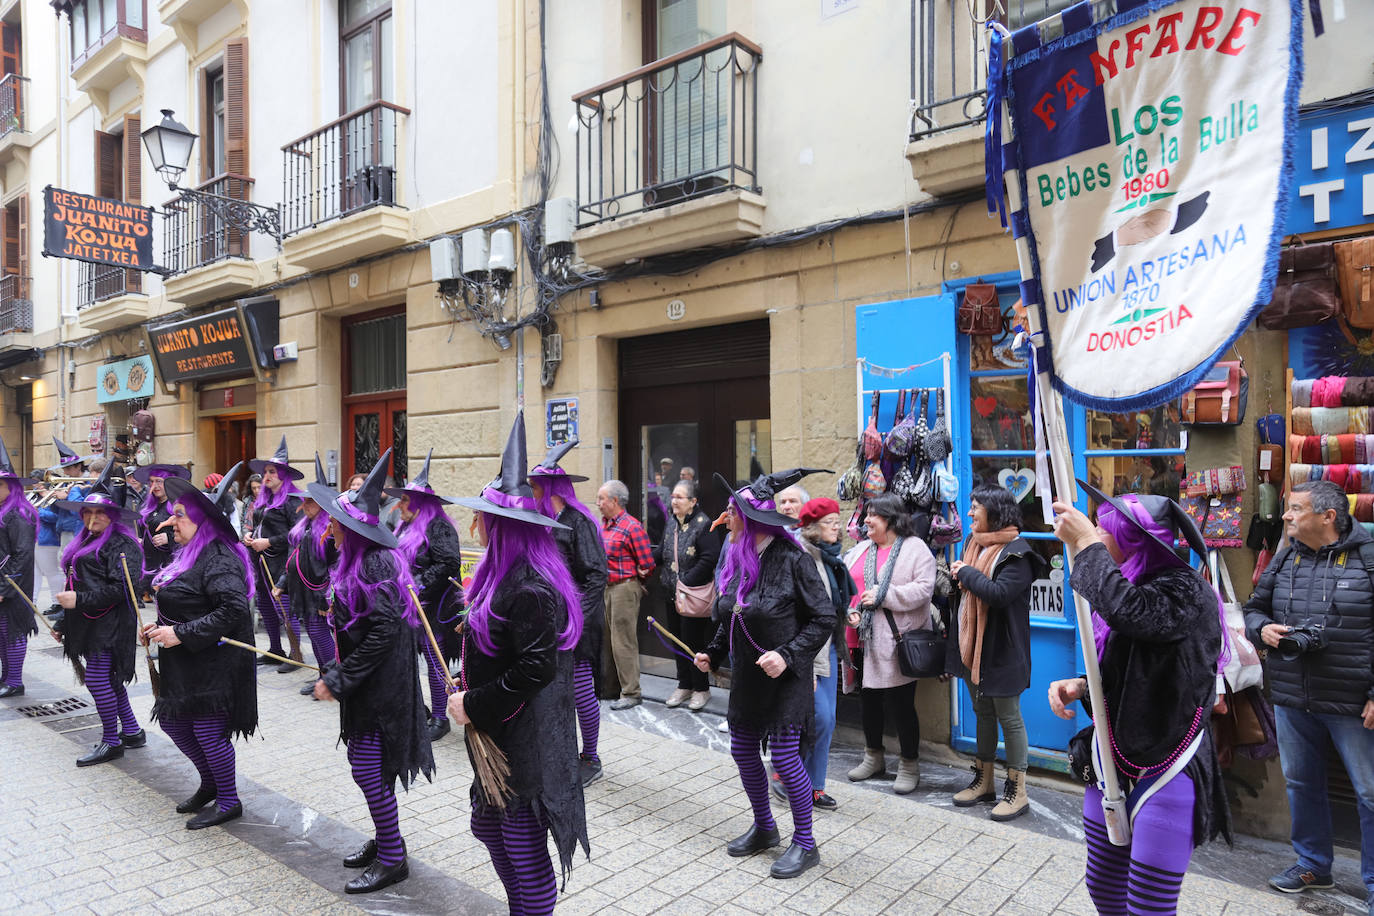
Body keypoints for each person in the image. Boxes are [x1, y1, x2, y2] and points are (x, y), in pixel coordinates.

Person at [1048, 483, 1230, 916]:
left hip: (1170, 765)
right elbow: (1133, 663)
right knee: (1103, 886)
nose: (1093, 530)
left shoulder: (1186, 590)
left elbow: (1134, 613)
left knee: (1149, 904)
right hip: (1111, 758)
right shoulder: (1130, 582)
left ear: (1129, 539)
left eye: (1102, 528)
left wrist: (1087, 545)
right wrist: (1080, 684)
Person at [451, 412, 589, 914]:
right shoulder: (500, 577)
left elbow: (536, 670)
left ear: (501, 524)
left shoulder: (531, 586)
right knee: (486, 826)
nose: (473, 524)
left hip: (525, 739)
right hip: (501, 731)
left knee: (523, 851)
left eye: (480, 515)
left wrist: (473, 703)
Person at [693, 469, 833, 879]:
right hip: (748, 679)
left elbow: (824, 617)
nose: (726, 517)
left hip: (786, 677)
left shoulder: (794, 559)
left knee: (786, 759)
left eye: (732, 511)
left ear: (750, 518)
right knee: (741, 750)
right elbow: (731, 616)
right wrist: (713, 653)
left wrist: (787, 655)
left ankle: (806, 844)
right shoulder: (739, 555)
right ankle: (764, 827)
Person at [309, 449, 434, 895]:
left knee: (366, 767)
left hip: (382, 688)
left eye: (334, 522)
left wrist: (338, 678)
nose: (328, 528)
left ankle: (394, 857)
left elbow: (383, 634)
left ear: (354, 529)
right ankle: (386, 838)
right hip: (367, 684)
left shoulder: (377, 562)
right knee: (365, 765)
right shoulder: (357, 560)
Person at [1243, 479, 1374, 902]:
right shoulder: (1284, 559)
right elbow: (1252, 609)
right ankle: (1314, 866)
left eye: (1295, 508)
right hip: (1292, 697)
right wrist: (1262, 630)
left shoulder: (1369, 559)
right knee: (1301, 783)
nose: (1286, 516)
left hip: (1354, 702)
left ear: (1328, 516)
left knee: (1371, 791)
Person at [141, 474, 258, 829]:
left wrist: (181, 632)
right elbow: (177, 596)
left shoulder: (220, 558)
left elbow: (233, 610)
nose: (170, 521)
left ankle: (228, 799)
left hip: (215, 661)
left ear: (203, 521)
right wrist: (158, 626)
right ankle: (211, 783)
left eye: (179, 515)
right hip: (185, 658)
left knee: (208, 732)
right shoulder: (189, 552)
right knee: (175, 723)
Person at [948, 485, 1043, 821]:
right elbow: (967, 595)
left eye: (976, 507)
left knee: (1009, 719)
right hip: (974, 649)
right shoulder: (973, 545)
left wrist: (965, 573)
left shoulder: (1019, 553)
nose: (970, 513)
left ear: (996, 511)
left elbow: (999, 594)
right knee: (982, 713)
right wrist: (955, 579)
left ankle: (1018, 790)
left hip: (1004, 651)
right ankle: (984, 780)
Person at [51, 461, 146, 766]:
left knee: (97, 679)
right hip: (87, 622)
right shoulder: (86, 539)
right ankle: (131, 732)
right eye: (88, 513)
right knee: (108, 679)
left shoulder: (124, 545)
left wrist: (78, 599)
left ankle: (111, 741)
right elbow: (73, 582)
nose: (93, 518)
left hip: (112, 624)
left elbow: (122, 590)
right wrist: (63, 623)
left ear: (113, 515)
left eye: (100, 512)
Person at [844, 493, 936, 795]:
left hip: (896, 640)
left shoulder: (915, 549)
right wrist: (850, 610)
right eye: (866, 514)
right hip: (861, 639)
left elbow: (924, 589)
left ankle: (910, 765)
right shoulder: (861, 549)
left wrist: (885, 596)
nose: (866, 520)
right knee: (868, 702)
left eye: (874, 515)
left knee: (901, 706)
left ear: (892, 519)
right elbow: (846, 585)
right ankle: (874, 757)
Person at [530, 440, 610, 786]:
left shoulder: (579, 521)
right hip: (548, 620)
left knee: (580, 690)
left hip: (577, 623)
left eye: (534, 486)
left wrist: (579, 618)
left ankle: (590, 756)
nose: (529, 492)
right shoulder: (541, 520)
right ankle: (560, 751)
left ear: (549, 489)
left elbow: (596, 575)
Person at [385, 450, 464, 741]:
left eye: (405, 499)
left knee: (435, 660)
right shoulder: (405, 526)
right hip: (410, 605)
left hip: (435, 607)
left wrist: (419, 584)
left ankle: (442, 718)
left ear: (418, 503)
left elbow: (448, 563)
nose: (400, 504)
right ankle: (425, 709)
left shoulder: (439, 526)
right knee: (414, 658)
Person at [783, 497, 855, 811]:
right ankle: (787, 778)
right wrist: (806, 666)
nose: (837, 528)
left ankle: (815, 786)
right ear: (812, 528)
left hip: (831, 648)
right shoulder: (803, 559)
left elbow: (831, 603)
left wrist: (845, 615)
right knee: (818, 719)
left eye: (838, 523)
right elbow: (799, 612)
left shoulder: (831, 558)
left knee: (828, 720)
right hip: (808, 653)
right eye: (830, 523)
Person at [653, 479, 719, 712]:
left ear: (693, 502)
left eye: (679, 497)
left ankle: (701, 689)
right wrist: (647, 563)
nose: (674, 501)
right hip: (672, 593)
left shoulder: (704, 524)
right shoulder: (671, 521)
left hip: (693, 595)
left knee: (694, 643)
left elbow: (710, 558)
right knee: (676, 639)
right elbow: (663, 549)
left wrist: (686, 581)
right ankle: (684, 685)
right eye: (672, 497)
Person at [245, 436, 305, 671]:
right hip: (261, 562)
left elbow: (298, 535)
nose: (266, 476)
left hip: (283, 562)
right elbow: (259, 524)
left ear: (283, 475)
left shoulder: (292, 500)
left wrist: (268, 542)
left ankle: (296, 654)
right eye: (265, 472)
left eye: (271, 472)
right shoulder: (265, 499)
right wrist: (250, 536)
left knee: (285, 609)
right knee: (266, 606)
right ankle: (275, 649)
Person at [283, 456, 338, 697]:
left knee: (319, 634)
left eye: (310, 501)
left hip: (320, 592)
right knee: (313, 635)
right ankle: (322, 676)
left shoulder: (331, 531)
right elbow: (295, 558)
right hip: (303, 592)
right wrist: (282, 583)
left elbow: (336, 565)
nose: (305, 504)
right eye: (304, 500)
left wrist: (328, 597)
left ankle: (330, 680)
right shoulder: (305, 526)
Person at [597, 479, 654, 710]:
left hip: (624, 588)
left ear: (615, 501)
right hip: (607, 588)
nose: (598, 503)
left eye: (602, 499)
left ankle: (632, 692)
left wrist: (640, 576)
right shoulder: (604, 525)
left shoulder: (631, 527)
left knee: (623, 641)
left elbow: (648, 563)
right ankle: (611, 688)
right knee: (608, 640)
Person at [0, 434, 37, 698]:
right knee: (2, 630)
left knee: (12, 629)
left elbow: (22, 554)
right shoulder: (4, 510)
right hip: (5, 580)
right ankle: (6, 676)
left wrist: (4, 587)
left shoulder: (19, 514)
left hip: (14, 582)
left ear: (11, 486)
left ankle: (15, 681)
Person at [132, 463, 192, 592]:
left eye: (159, 481)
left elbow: (192, 533)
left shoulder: (180, 506)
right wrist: (140, 539)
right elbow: (143, 529)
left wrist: (169, 538)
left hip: (170, 564)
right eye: (152, 482)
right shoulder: (148, 506)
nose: (155, 486)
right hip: (150, 564)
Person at [35, 474, 63, 617]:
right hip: (35, 539)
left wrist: (38, 512)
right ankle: (31, 602)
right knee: (35, 574)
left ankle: (57, 602)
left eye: (38, 484)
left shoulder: (54, 498)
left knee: (52, 573)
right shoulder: (36, 497)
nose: (35, 487)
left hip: (49, 539)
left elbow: (56, 517)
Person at [239, 473, 263, 538]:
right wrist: (246, 535)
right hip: (248, 537)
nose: (256, 491)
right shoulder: (247, 502)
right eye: (254, 488)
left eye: (259, 487)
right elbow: (243, 521)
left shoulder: (268, 502)